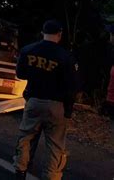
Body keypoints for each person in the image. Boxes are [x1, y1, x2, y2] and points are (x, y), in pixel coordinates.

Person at [13, 20, 79, 180]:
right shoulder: (66, 57)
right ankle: (51, 176)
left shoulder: (28, 50)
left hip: (34, 101)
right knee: (55, 144)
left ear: (43, 32)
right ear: (59, 34)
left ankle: (20, 170)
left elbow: (20, 74)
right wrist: (68, 110)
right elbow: (72, 86)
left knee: (26, 136)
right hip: (57, 106)